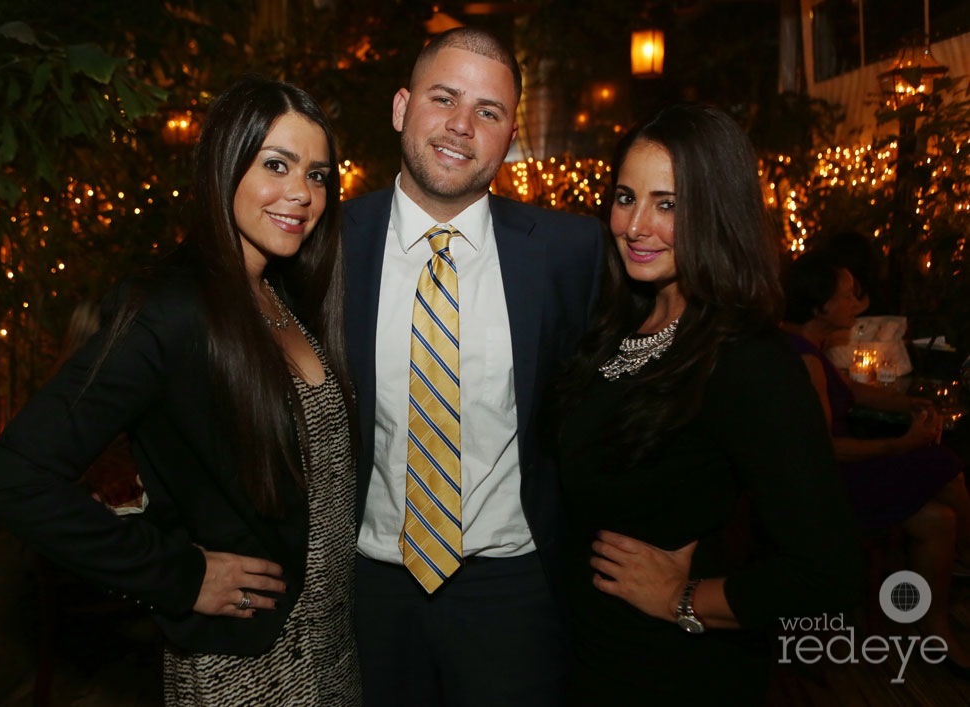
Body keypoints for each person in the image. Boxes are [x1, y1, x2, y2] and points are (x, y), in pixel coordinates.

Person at [0, 76, 360, 705]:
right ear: (222, 168)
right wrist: (178, 576)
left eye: (317, 175)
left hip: (336, 647)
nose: (302, 194)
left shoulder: (288, 296)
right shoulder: (166, 311)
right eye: (276, 165)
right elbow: (13, 479)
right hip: (247, 667)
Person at [550, 103, 862, 703]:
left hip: (671, 672)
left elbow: (828, 570)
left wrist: (683, 599)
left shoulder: (748, 360)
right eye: (625, 197)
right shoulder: (617, 327)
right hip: (589, 654)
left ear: (717, 212)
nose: (636, 225)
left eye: (668, 205)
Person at [342, 26, 605, 706]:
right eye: (443, 98)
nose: (462, 126)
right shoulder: (327, 246)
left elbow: (622, 400)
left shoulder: (570, 253)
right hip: (367, 585)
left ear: (510, 135)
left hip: (514, 586)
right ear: (402, 108)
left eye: (488, 111)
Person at [782, 249, 970, 675]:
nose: (856, 304)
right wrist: (903, 444)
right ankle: (966, 565)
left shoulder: (807, 342)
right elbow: (823, 449)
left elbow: (855, 392)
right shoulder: (802, 360)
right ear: (820, 306)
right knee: (941, 461)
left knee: (939, 518)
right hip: (824, 486)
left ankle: (936, 628)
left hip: (836, 472)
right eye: (848, 296)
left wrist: (909, 403)